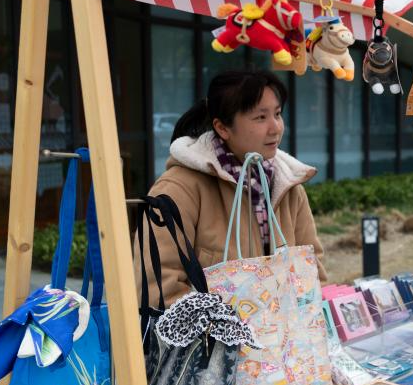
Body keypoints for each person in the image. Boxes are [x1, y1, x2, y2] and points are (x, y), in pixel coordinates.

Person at [137, 69, 326, 307]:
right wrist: (222, 328)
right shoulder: (178, 188)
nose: (275, 127)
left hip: (285, 330)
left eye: (277, 114)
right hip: (210, 331)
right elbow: (158, 286)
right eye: (260, 117)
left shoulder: (287, 183)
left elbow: (312, 273)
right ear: (222, 128)